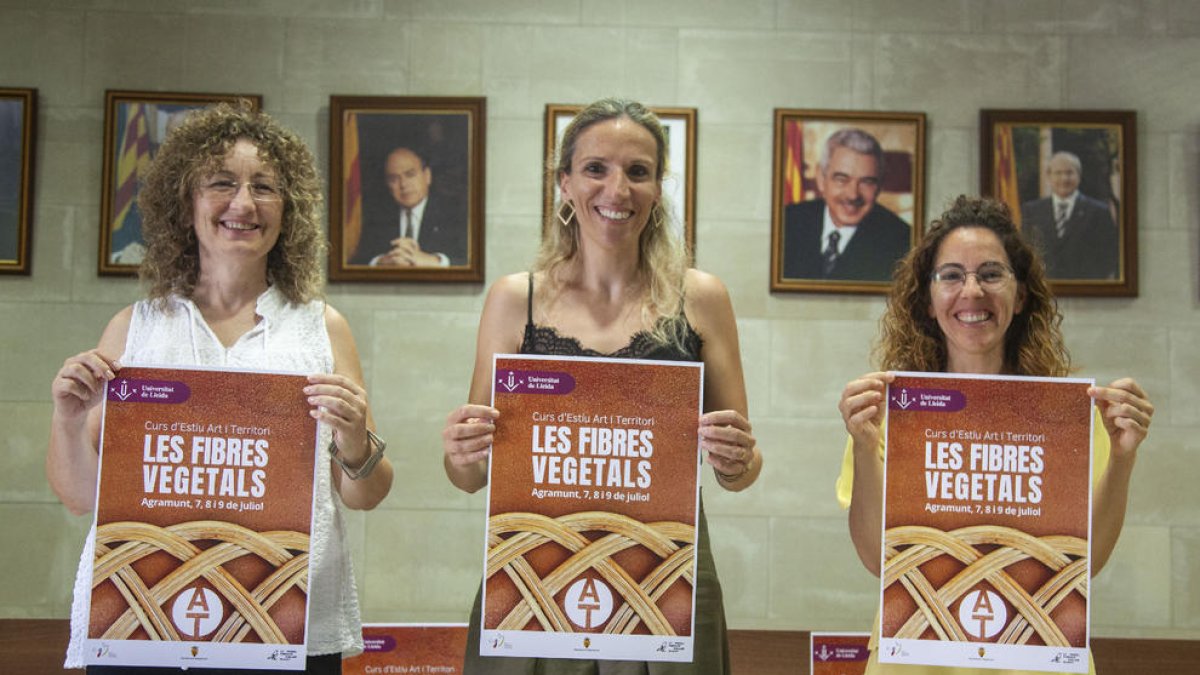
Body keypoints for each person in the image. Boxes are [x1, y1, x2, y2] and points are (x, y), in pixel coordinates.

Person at [47, 102, 394, 674]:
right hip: (143, 613)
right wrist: (65, 417)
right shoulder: (135, 328)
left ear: (289, 210)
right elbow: (81, 497)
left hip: (286, 617)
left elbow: (367, 493)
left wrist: (355, 440)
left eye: (265, 187)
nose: (243, 203)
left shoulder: (320, 328)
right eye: (221, 184)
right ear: (186, 204)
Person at [441, 98, 762, 674]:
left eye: (638, 171)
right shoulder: (516, 299)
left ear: (658, 188)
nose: (617, 189)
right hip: (535, 573)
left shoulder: (702, 297)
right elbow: (469, 477)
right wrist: (461, 450)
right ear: (564, 182)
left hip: (668, 575)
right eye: (596, 168)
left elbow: (742, 472)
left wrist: (737, 455)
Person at [835, 195, 1153, 674]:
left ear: (1020, 294)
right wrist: (862, 445)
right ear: (927, 297)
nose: (972, 292)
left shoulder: (1070, 416)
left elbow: (1086, 561)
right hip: (917, 659)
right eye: (951, 276)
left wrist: (1124, 459)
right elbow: (879, 561)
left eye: (990, 273)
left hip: (1039, 656)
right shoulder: (886, 413)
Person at [782, 128, 912, 282]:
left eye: (866, 182)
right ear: (821, 179)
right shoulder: (787, 222)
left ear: (879, 186)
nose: (853, 195)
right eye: (842, 179)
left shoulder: (902, 241)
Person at [350, 145, 468, 267]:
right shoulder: (377, 216)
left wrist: (435, 261)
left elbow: (473, 262)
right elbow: (356, 262)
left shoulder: (455, 213)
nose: (403, 185)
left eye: (410, 175)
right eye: (394, 179)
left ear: (427, 176)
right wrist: (381, 262)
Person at [1020, 151, 1119, 280]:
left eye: (1069, 173)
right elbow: (1025, 252)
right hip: (1044, 289)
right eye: (1058, 173)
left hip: (1086, 290)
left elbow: (1109, 255)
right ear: (1049, 176)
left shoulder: (1099, 212)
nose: (1064, 178)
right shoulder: (1032, 210)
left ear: (1079, 176)